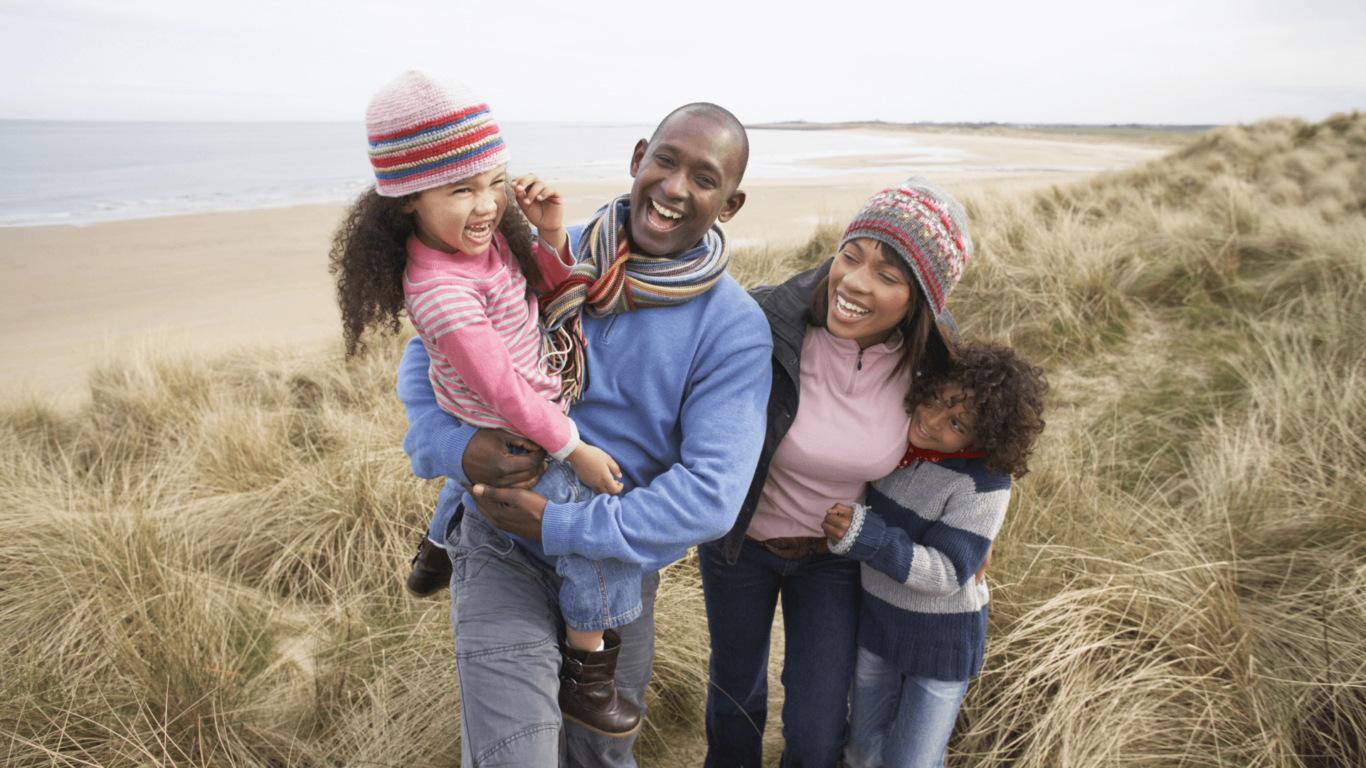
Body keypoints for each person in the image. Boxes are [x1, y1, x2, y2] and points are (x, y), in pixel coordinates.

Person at [395, 103, 772, 766]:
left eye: (704, 178)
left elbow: (711, 497)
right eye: (665, 161)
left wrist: (563, 525)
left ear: (729, 204)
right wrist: (456, 450)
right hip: (500, 544)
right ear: (637, 159)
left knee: (600, 754)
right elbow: (430, 356)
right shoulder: (542, 252)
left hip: (617, 572)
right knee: (517, 755)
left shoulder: (734, 328)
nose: (675, 186)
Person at [329, 71, 643, 736]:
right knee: (594, 531)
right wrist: (575, 450)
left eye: (493, 181)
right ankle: (588, 675)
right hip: (516, 421)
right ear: (407, 199)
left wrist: (547, 230)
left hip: (497, 405)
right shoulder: (442, 293)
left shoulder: (484, 237)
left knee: (475, 476)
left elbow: (549, 288)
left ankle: (436, 548)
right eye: (460, 189)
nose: (486, 204)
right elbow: (503, 392)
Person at [700, 176, 973, 768]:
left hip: (836, 558)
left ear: (920, 300)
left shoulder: (935, 364)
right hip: (739, 545)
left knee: (818, 733)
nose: (854, 281)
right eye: (851, 255)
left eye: (888, 275)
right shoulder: (769, 320)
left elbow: (979, 446)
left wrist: (983, 526)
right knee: (735, 698)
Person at [822, 340, 1047, 768]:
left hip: (941, 645)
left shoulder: (985, 483)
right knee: (861, 751)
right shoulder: (895, 445)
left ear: (986, 437)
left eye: (957, 424)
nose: (932, 420)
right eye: (936, 400)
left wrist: (870, 538)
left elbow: (947, 572)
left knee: (913, 761)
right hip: (879, 627)